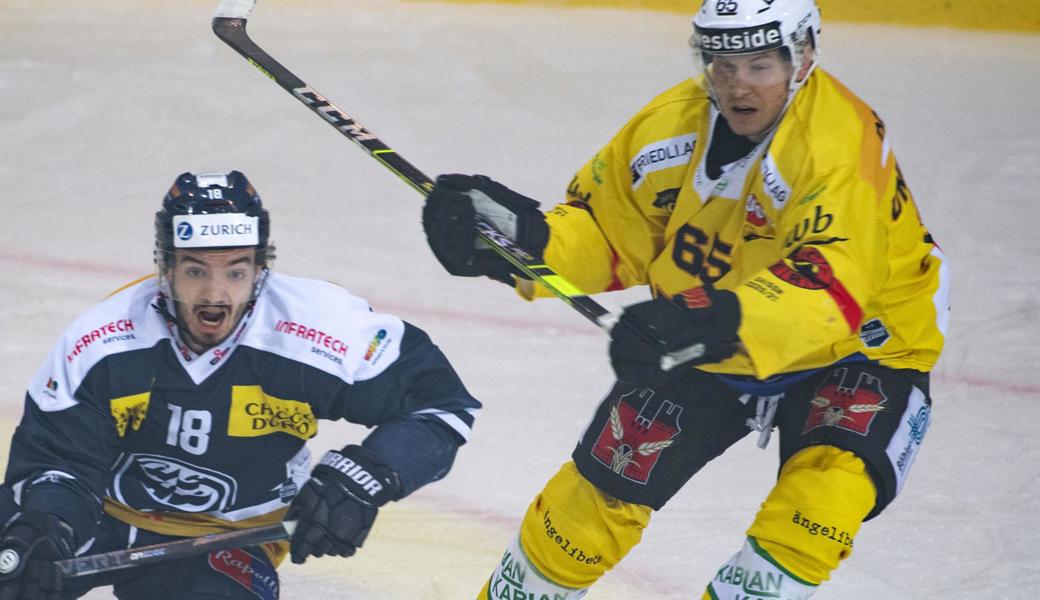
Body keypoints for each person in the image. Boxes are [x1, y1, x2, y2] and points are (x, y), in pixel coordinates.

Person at [421, 0, 949, 597]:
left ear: (802, 57)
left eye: (759, 64)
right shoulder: (671, 127)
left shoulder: (838, 145)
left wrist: (706, 318)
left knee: (818, 507)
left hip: (861, 345)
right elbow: (611, 230)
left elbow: (830, 286)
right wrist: (527, 242)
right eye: (723, 64)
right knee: (592, 501)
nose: (737, 85)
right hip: (710, 325)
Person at [0, 170, 481, 600]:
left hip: (228, 536)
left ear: (260, 268)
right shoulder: (106, 340)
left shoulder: (317, 329)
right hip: (99, 512)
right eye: (195, 270)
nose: (214, 295)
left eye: (236, 271)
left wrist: (365, 478)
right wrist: (47, 524)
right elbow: (59, 458)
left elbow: (439, 403)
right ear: (165, 268)